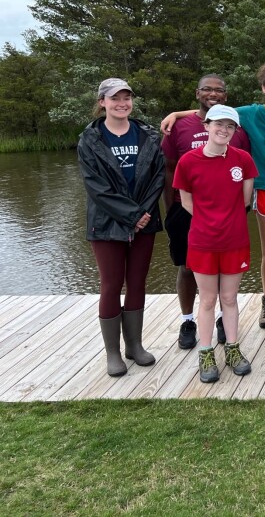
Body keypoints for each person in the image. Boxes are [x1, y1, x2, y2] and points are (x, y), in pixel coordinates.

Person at [162, 62, 265, 331]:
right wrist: (177, 113)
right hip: (264, 190)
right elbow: (214, 111)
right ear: (263, 88)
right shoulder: (247, 113)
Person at [78, 78, 165, 377]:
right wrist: (131, 215)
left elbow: (157, 177)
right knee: (111, 285)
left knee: (138, 282)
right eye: (114, 98)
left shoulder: (148, 135)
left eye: (126, 97)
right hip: (106, 224)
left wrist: (143, 213)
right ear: (102, 102)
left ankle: (135, 345)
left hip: (144, 220)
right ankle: (113, 353)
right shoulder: (90, 140)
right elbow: (96, 187)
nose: (122, 103)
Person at [162, 74, 250, 350]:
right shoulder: (179, 125)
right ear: (197, 92)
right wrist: (169, 208)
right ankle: (188, 320)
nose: (213, 93)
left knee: (227, 290)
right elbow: (168, 168)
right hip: (186, 209)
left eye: (219, 90)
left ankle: (225, 323)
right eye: (207, 89)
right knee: (186, 267)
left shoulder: (239, 134)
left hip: (228, 217)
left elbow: (245, 188)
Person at [173, 104, 259, 383]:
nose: (224, 130)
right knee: (208, 299)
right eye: (218, 124)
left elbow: (245, 200)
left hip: (235, 239)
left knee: (230, 298)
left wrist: (226, 221)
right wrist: (209, 221)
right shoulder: (188, 161)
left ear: (235, 131)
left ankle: (232, 348)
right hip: (202, 241)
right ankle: (206, 352)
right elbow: (186, 201)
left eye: (230, 126)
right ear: (206, 126)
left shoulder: (243, 159)